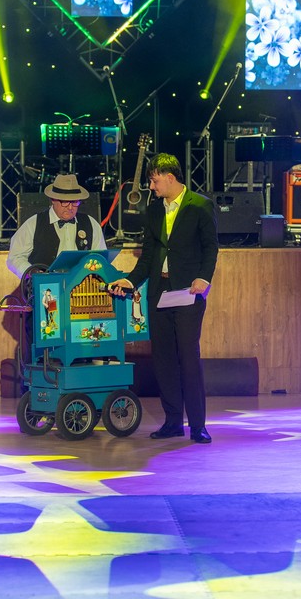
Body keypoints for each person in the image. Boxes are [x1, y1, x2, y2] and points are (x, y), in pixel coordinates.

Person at [107, 153, 218, 444]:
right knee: (164, 359)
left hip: (188, 293)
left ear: (170, 177)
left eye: (155, 181)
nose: (152, 187)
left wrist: (203, 278)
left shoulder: (200, 205)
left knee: (188, 358)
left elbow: (211, 248)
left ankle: (198, 425)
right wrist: (130, 281)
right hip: (159, 292)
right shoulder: (154, 209)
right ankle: (172, 422)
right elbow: (148, 255)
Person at [6, 174, 106, 278]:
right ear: (53, 200)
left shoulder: (90, 223)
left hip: (82, 285)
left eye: (74, 202)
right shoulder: (33, 224)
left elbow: (101, 258)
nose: (70, 207)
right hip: (45, 285)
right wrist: (32, 272)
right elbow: (15, 258)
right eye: (65, 202)